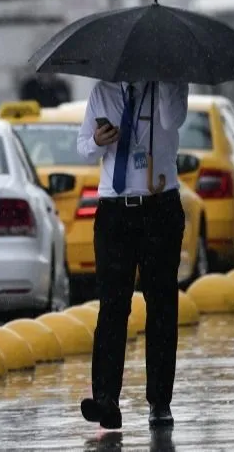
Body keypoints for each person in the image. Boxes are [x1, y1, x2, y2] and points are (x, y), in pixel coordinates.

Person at [77, 79, 189, 430]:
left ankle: (159, 402)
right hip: (114, 210)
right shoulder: (102, 92)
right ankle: (106, 400)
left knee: (160, 305)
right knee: (112, 306)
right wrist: (97, 141)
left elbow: (172, 121)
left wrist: (167, 75)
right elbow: (83, 148)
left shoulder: (169, 85)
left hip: (160, 207)